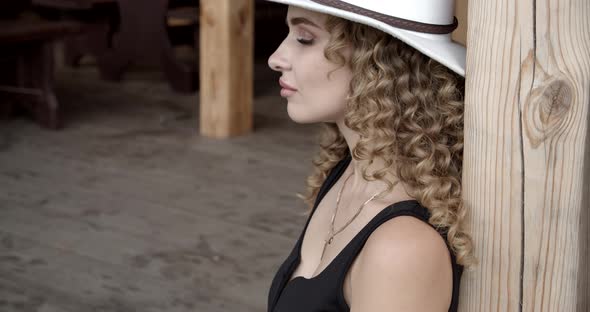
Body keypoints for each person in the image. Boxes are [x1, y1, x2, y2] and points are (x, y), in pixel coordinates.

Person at [265, 1, 477, 311]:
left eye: (304, 38)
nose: (274, 59)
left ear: (375, 62)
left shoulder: (401, 248)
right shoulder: (348, 174)